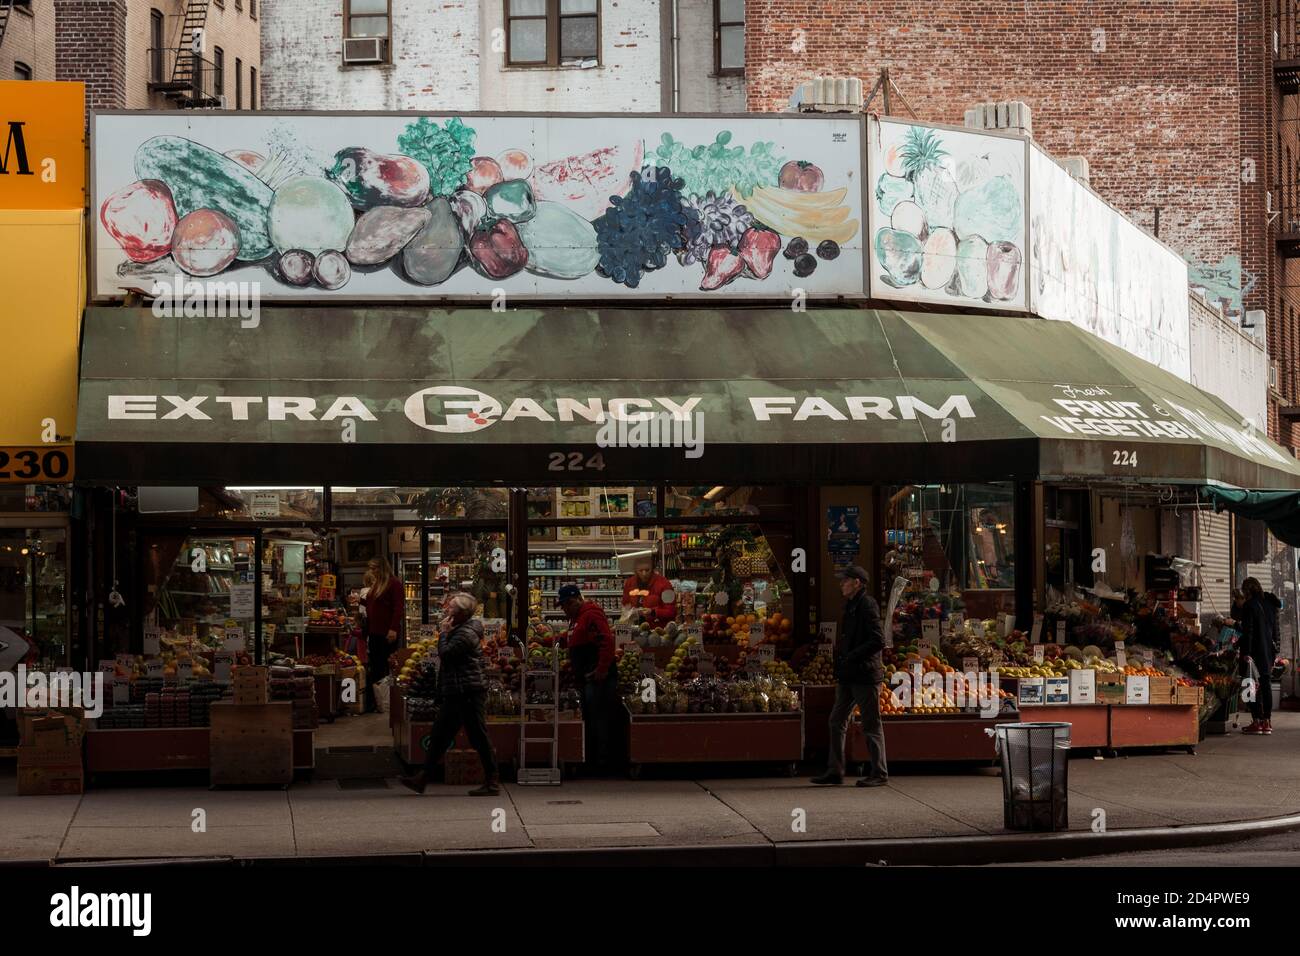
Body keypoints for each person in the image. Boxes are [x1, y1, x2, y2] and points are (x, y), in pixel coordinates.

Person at [399, 592, 500, 796]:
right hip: (457, 690)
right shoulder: (462, 629)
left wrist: (444, 633)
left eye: (451, 607)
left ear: (461, 613)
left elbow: (446, 654)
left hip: (467, 691)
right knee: (440, 735)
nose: (447, 610)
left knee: (477, 735)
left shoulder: (465, 633)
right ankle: (423, 777)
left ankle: (492, 781)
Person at [813, 565, 889, 787]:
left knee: (871, 724)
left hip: (865, 675)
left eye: (845, 580)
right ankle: (835, 770)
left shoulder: (867, 605)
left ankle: (879, 773)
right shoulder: (851, 605)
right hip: (848, 674)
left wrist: (853, 656)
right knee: (836, 721)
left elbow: (878, 640)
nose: (841, 584)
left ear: (857, 582)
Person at [559, 583, 619, 771]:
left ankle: (602, 762)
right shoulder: (577, 618)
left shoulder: (591, 614)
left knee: (598, 717)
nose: (564, 610)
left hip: (597, 677)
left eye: (566, 605)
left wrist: (601, 670)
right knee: (591, 716)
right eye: (563, 606)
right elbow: (574, 638)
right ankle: (593, 758)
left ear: (576, 600)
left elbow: (606, 641)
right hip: (587, 677)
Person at [360, 556, 404, 714]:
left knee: (387, 666)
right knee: (376, 666)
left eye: (374, 568)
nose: (371, 571)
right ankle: (379, 701)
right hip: (374, 631)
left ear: (382, 568)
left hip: (386, 632)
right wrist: (360, 602)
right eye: (371, 568)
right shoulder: (377, 584)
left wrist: (393, 629)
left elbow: (398, 608)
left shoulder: (394, 584)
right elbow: (374, 605)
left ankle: (387, 700)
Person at [1239, 577, 1277, 735]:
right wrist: (1275, 652)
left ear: (1247, 590)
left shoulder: (1249, 606)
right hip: (1268, 651)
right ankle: (1267, 722)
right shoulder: (1269, 604)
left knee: (1249, 685)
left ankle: (1256, 721)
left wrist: (1246, 653)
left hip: (1254, 652)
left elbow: (1249, 631)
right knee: (1266, 685)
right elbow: (1276, 630)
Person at [622, 553, 677, 626]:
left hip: (657, 629)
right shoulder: (629, 583)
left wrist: (653, 612)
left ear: (652, 568)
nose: (644, 574)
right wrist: (629, 613)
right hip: (634, 627)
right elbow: (625, 605)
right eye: (640, 571)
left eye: (647, 570)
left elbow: (672, 611)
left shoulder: (665, 584)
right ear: (635, 570)